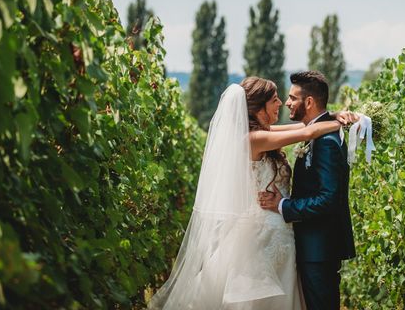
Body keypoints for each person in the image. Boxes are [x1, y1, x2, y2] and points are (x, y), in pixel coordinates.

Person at [148, 76, 356, 309]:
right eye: (275, 100)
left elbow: (306, 126)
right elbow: (308, 133)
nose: (282, 104)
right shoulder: (254, 138)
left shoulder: (264, 134)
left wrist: (333, 115)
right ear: (259, 107)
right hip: (264, 232)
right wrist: (346, 122)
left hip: (281, 230)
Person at [259, 71, 356, 310]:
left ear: (309, 102)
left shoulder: (326, 142)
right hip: (310, 247)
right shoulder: (316, 133)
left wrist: (283, 205)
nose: (287, 103)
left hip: (319, 250)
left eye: (292, 98)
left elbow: (328, 199)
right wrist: (335, 116)